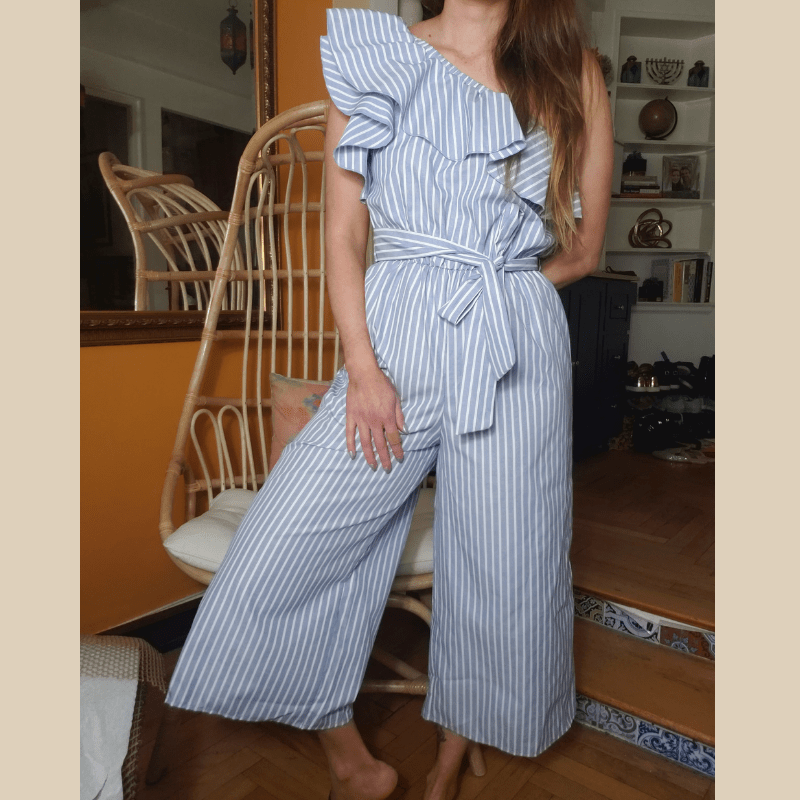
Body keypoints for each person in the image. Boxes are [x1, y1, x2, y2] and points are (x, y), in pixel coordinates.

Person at [165, 2, 612, 799]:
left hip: (513, 336)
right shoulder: (375, 55)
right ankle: (353, 761)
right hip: (395, 344)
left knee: (508, 563)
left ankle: (451, 753)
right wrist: (364, 369)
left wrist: (498, 299)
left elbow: (582, 250)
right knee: (279, 548)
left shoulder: (568, 65)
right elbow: (343, 236)